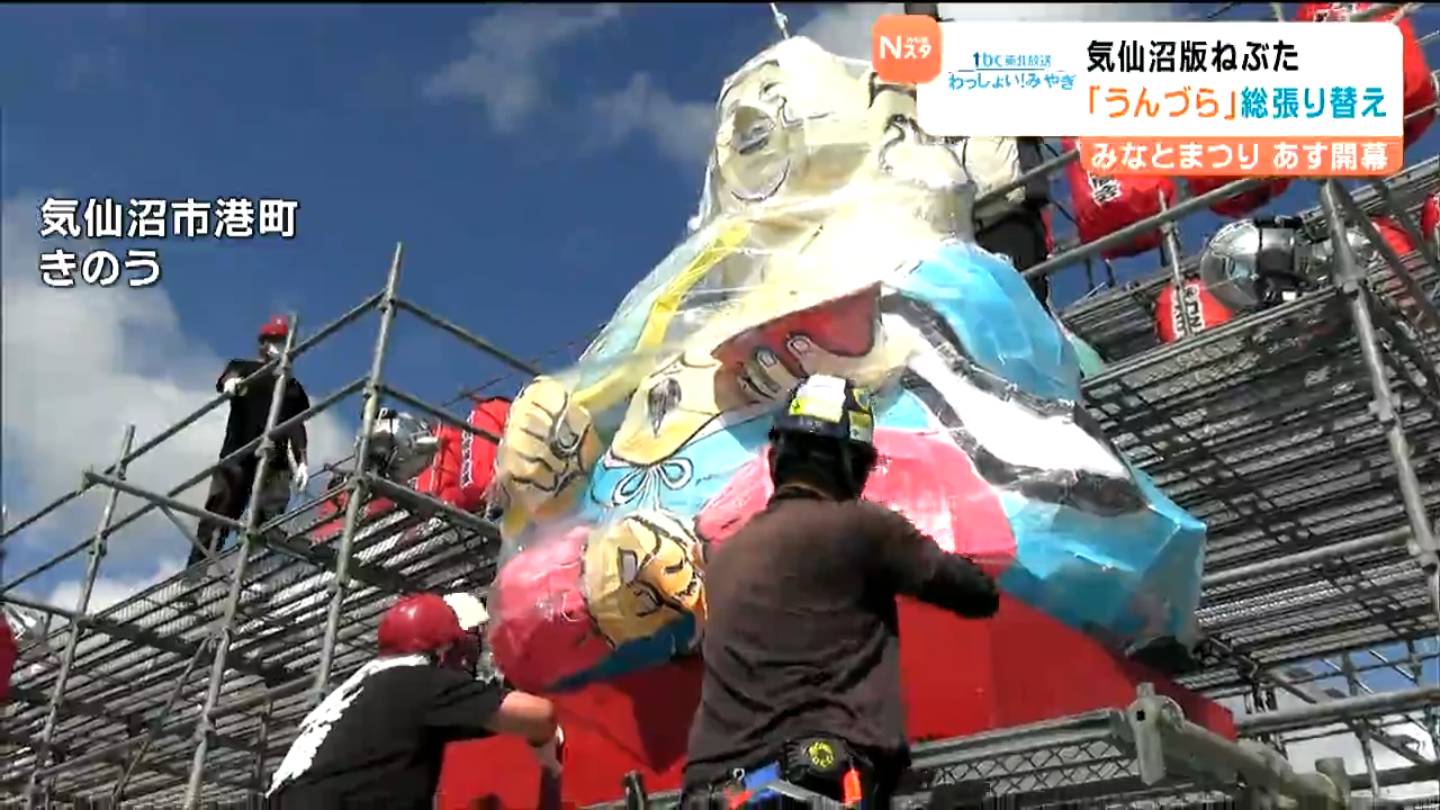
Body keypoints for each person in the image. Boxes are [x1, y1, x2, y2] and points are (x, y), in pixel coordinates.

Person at [681, 374, 1002, 808]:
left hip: (711, 792)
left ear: (778, 456)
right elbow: (976, 594)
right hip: (811, 787)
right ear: (851, 462)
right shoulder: (861, 527)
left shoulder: (725, 557)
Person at [267, 592, 564, 808]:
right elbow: (540, 715)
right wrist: (543, 747)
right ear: (444, 649)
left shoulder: (359, 690)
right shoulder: (418, 682)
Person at [187, 316, 311, 580]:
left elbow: (296, 426)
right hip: (239, 454)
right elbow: (229, 376)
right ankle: (193, 580)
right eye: (277, 341)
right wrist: (229, 383)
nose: (282, 347)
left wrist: (301, 461)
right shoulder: (244, 368)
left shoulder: (292, 388)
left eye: (285, 342)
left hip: (274, 462)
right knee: (219, 516)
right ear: (264, 344)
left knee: (267, 522)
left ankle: (252, 578)